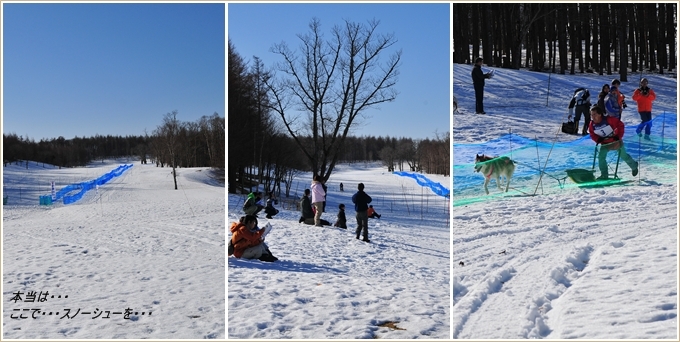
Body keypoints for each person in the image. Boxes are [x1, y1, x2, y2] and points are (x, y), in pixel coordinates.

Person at [588, 106, 638, 180]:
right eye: (591, 115)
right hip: (605, 143)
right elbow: (592, 134)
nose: (593, 117)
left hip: (616, 141)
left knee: (623, 156)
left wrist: (619, 136)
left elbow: (620, 125)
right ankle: (604, 175)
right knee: (601, 157)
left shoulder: (609, 119)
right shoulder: (592, 124)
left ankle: (634, 166)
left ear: (600, 114)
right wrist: (598, 139)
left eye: (594, 114)